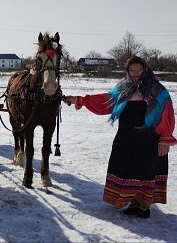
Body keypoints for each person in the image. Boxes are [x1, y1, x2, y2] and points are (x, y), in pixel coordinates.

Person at [65, 55, 176, 219]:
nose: (136, 73)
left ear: (145, 69)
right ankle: (133, 203)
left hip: (149, 140)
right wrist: (79, 100)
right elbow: (104, 101)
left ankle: (144, 206)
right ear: (128, 71)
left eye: (139, 69)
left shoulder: (158, 90)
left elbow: (167, 115)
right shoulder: (124, 88)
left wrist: (164, 140)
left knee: (146, 170)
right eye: (132, 70)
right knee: (128, 168)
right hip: (126, 138)